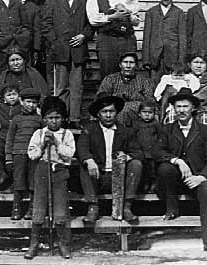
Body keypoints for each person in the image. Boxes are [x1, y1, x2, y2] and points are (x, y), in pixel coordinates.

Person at [156, 88, 207, 259]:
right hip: (176, 180)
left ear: (193, 108)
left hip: (198, 177)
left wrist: (201, 177)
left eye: (185, 106)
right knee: (165, 168)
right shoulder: (167, 129)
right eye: (178, 106)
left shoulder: (204, 130)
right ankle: (172, 207)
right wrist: (177, 160)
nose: (181, 110)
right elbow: (157, 152)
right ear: (174, 109)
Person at [77, 92, 143, 223]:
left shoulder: (125, 131)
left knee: (136, 164)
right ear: (98, 114)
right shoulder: (89, 130)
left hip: (119, 178)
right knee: (84, 165)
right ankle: (93, 207)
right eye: (104, 112)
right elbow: (82, 148)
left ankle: (127, 207)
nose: (108, 115)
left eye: (111, 111)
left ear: (116, 112)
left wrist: (127, 157)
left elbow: (138, 152)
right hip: (98, 177)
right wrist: (89, 160)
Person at [42, 0, 92, 127]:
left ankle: (74, 119)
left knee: (76, 87)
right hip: (60, 51)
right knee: (61, 87)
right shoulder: (53, 1)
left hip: (78, 51)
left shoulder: (85, 2)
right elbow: (45, 25)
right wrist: (55, 42)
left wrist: (83, 36)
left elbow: (91, 24)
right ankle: (61, 119)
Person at [26, 96, 75, 259]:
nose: (54, 121)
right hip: (42, 171)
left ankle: (63, 245)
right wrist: (42, 145)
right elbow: (32, 155)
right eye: (50, 118)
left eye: (57, 118)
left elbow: (69, 154)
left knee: (60, 212)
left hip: (59, 172)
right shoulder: (39, 133)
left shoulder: (67, 134)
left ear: (62, 118)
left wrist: (56, 143)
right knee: (39, 209)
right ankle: (33, 245)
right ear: (45, 118)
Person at [87, 0, 138, 79]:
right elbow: (93, 19)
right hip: (107, 40)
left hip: (126, 39)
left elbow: (135, 16)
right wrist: (112, 17)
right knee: (108, 73)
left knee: (128, 73)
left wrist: (134, 18)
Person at [5, 88, 43, 220]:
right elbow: (10, 139)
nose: (31, 105)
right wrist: (8, 157)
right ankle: (16, 207)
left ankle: (31, 208)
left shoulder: (39, 120)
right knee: (18, 180)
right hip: (18, 153)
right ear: (21, 101)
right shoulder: (16, 119)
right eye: (28, 101)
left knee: (33, 180)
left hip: (33, 155)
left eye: (34, 102)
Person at [142, 0, 186, 85]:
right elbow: (147, 37)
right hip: (155, 59)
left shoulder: (179, 13)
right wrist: (146, 60)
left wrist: (180, 61)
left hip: (172, 59)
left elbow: (182, 39)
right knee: (154, 87)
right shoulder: (151, 13)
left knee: (172, 87)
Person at [96, 52, 155, 127]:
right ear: (120, 65)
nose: (128, 66)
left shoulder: (144, 81)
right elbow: (101, 97)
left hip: (138, 116)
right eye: (125, 62)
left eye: (131, 63)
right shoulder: (110, 79)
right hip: (114, 115)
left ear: (136, 65)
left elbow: (150, 100)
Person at [133, 100, 161, 193]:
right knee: (143, 170)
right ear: (139, 114)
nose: (147, 115)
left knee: (152, 170)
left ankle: (154, 184)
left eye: (150, 113)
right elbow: (133, 136)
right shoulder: (136, 124)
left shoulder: (156, 124)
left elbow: (161, 136)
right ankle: (145, 184)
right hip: (141, 151)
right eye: (144, 112)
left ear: (154, 114)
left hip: (152, 152)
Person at [13, 0, 42, 66]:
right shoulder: (9, 5)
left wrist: (36, 49)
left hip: (27, 47)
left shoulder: (34, 8)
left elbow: (37, 30)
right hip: (10, 45)